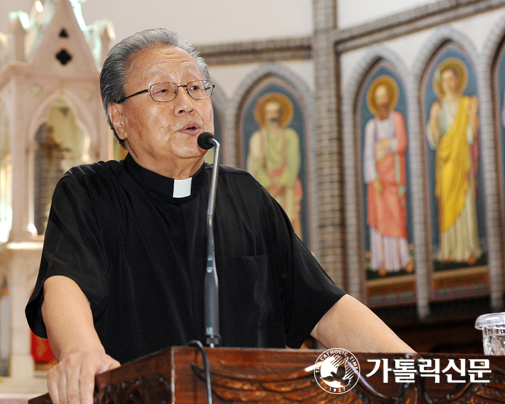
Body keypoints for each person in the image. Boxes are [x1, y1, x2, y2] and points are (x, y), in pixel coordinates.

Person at [25, 28, 413, 404]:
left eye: (196, 88)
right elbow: (65, 282)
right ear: (119, 117)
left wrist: (415, 368)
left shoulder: (244, 195)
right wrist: (80, 352)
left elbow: (325, 307)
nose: (186, 103)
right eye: (162, 91)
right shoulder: (89, 191)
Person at [427, 60, 481, 264]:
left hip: (462, 160)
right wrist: (433, 118)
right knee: (447, 205)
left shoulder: (466, 103)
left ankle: (468, 248)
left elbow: (469, 136)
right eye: (446, 80)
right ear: (441, 83)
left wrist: (473, 113)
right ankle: (448, 250)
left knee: (466, 204)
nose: (449, 83)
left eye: (452, 79)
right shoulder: (438, 107)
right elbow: (434, 140)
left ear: (458, 80)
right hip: (445, 164)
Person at [363, 77, 413, 276]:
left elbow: (401, 143)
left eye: (385, 97)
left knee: (397, 215)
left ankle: (402, 258)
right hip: (378, 180)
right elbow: (368, 153)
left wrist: (386, 144)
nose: (382, 101)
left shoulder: (397, 118)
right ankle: (381, 261)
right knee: (381, 219)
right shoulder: (370, 126)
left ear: (389, 98)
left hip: (395, 176)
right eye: (378, 98)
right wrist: (373, 178)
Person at [247, 93, 303, 238]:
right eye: (269, 112)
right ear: (264, 115)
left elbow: (293, 162)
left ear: (281, 114)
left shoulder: (290, 135)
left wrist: (281, 184)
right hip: (265, 189)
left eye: (275, 112)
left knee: (289, 224)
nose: (272, 116)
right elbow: (255, 166)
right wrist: (268, 184)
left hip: (286, 189)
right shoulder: (257, 138)